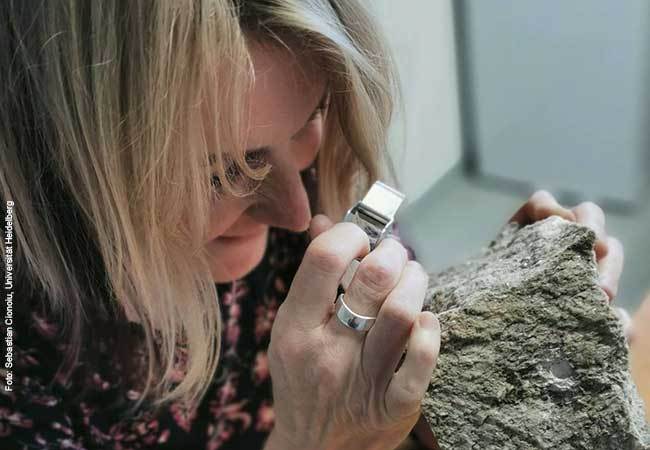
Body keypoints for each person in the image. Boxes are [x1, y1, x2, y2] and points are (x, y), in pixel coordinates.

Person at [0, 1, 625, 449]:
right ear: (69, 151)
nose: (297, 212)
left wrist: (496, 314)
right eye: (224, 171)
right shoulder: (21, 348)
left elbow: (420, 404)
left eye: (309, 117)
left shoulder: (322, 184)